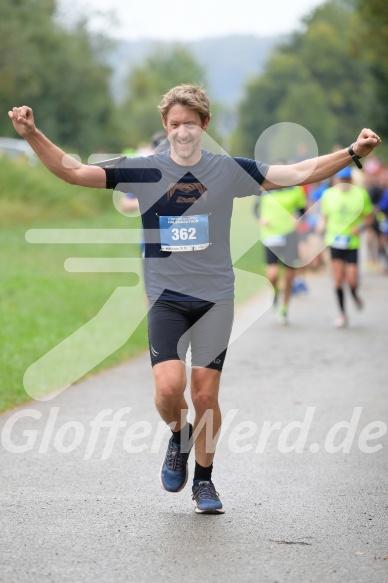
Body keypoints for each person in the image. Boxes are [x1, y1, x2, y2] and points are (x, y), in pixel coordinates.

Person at [8, 85, 381, 514]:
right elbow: (73, 171)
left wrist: (353, 152)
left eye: (189, 123)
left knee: (205, 395)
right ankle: (179, 435)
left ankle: (204, 481)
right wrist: (32, 134)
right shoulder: (145, 170)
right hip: (166, 300)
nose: (181, 132)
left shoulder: (228, 171)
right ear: (164, 128)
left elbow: (296, 173)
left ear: (204, 124)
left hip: (215, 300)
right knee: (169, 390)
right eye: (173, 125)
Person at [319, 166, 374, 328]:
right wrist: (320, 227)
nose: (343, 183)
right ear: (335, 180)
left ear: (351, 181)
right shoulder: (328, 195)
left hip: (352, 242)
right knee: (337, 279)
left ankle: (355, 294)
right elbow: (324, 217)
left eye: (346, 180)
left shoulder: (361, 194)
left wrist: (361, 228)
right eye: (340, 180)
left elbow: (369, 218)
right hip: (334, 241)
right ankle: (342, 314)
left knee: (352, 280)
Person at [253, 182, 307, 324]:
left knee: (289, 277)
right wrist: (261, 219)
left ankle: (284, 309)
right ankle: (275, 291)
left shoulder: (296, 190)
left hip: (290, 236)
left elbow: (303, 210)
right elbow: (256, 209)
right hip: (270, 235)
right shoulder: (264, 191)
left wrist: (298, 217)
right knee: (273, 275)